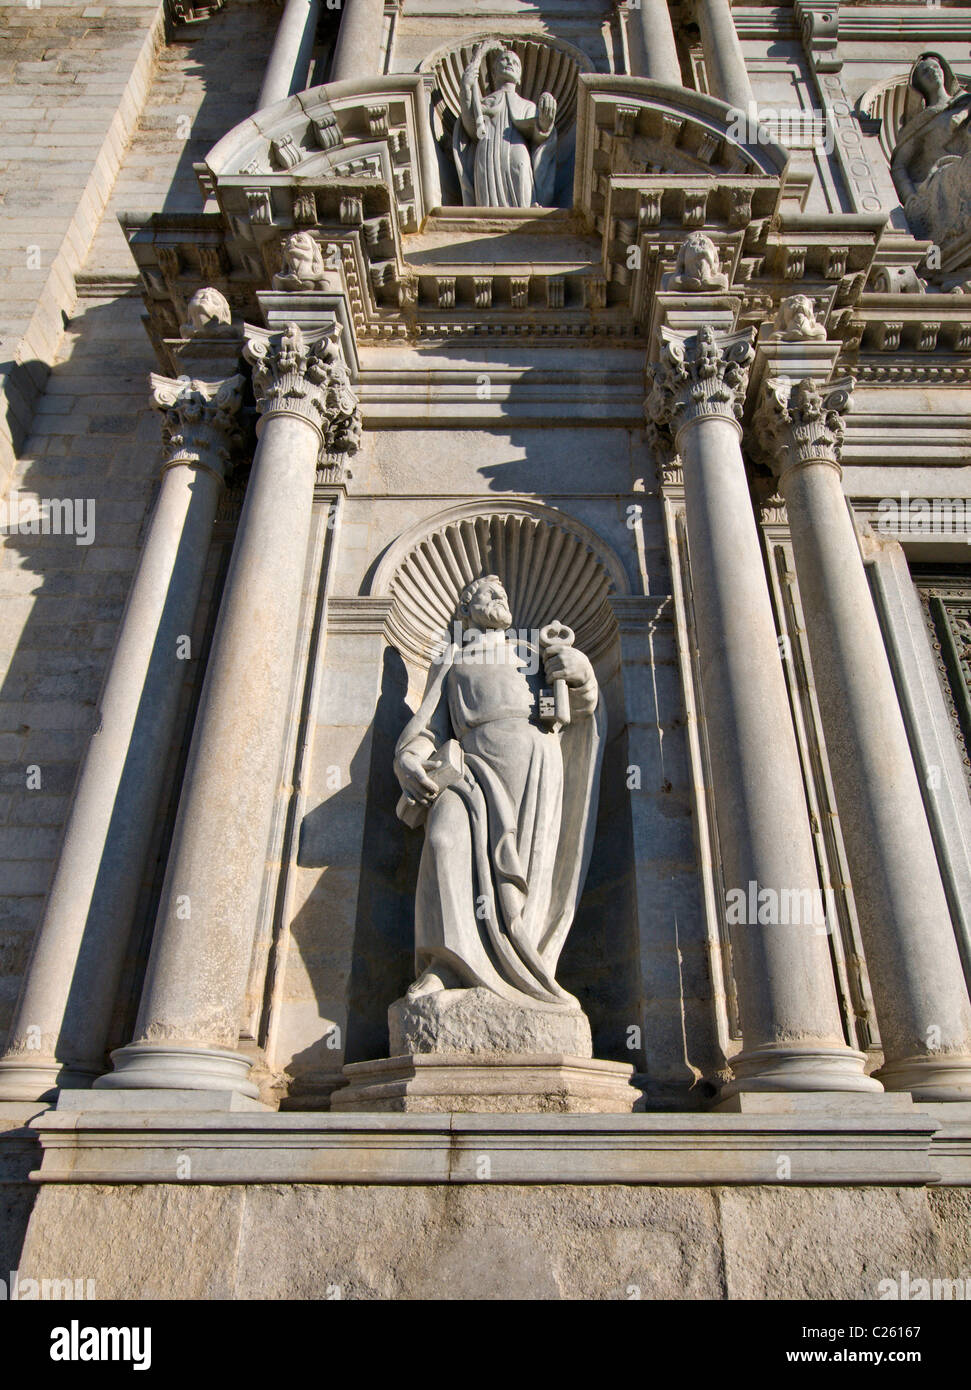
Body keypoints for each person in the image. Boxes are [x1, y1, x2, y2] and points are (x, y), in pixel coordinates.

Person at [394, 575, 604, 1008]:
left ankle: (526, 965)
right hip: (471, 766)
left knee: (520, 880)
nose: (501, 598)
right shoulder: (451, 657)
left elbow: (579, 709)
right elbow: (428, 725)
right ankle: (445, 965)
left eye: (504, 593)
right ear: (467, 608)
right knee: (443, 838)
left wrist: (579, 673)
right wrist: (409, 757)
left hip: (533, 765)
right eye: (490, 593)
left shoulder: (530, 652)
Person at [453, 41, 558, 208]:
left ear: (520, 77)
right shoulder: (484, 102)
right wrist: (466, 88)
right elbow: (472, 128)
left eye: (515, 62)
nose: (510, 63)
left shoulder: (527, 106)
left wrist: (545, 123)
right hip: (487, 151)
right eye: (504, 60)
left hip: (517, 150)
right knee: (488, 193)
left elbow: (539, 137)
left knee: (520, 174)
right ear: (493, 73)